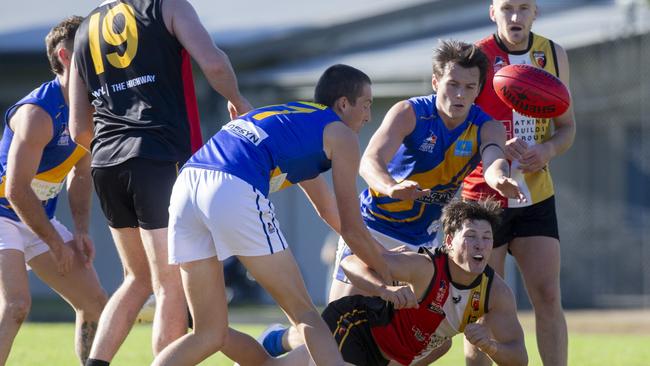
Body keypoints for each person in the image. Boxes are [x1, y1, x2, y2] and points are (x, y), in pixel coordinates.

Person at [260, 40, 525, 362]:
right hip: (372, 229)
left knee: (399, 337)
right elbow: (370, 161)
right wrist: (390, 187)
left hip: (421, 244)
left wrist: (498, 178)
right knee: (334, 333)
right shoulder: (410, 112)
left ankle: (278, 342)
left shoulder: (487, 126)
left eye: (469, 87)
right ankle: (278, 341)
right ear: (435, 82)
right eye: (452, 84)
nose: (460, 94)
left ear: (479, 89)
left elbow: (494, 155)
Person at [151, 64, 391, 366]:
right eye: (367, 105)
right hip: (232, 183)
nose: (369, 116)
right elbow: (352, 224)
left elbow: (328, 209)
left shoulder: (295, 119)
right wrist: (389, 270)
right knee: (305, 314)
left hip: (187, 183)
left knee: (209, 333)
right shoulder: (341, 134)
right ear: (344, 103)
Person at [67, 0, 252, 364]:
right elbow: (213, 61)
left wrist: (115, 145)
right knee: (170, 284)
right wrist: (238, 101)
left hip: (105, 162)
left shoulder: (85, 27)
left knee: (137, 278)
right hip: (156, 155)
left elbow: (78, 128)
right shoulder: (167, 5)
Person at [224, 200, 527, 366]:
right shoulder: (423, 267)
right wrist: (386, 290)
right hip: (356, 327)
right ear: (448, 242)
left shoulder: (495, 292)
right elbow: (349, 262)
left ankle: (277, 339)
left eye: (486, 239)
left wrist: (491, 346)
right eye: (470, 237)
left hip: (385, 355)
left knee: (442, 345)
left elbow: (519, 358)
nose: (480, 246)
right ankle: (214, 334)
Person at [461, 1, 576, 365]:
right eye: (507, 7)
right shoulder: (476, 57)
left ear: (535, 12)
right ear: (492, 11)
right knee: (481, 307)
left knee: (547, 295)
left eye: (523, 7)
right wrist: (493, 146)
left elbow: (568, 127)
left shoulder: (553, 55)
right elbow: (458, 129)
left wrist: (547, 150)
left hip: (536, 195)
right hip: (484, 199)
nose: (515, 16)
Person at [0, 16, 107, 365]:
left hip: (35, 219)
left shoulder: (90, 109)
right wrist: (55, 242)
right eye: (90, 50)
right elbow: (16, 190)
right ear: (65, 56)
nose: (101, 55)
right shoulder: (37, 113)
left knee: (94, 304)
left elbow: (81, 172)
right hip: (3, 214)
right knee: (16, 305)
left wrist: (78, 231)